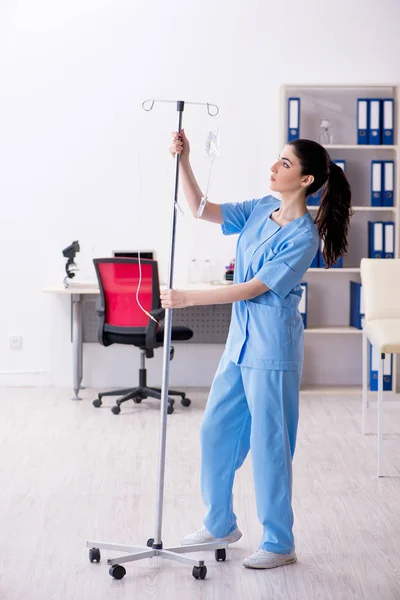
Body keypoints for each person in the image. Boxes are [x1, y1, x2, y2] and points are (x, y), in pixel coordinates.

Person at [161, 131, 352, 569]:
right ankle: (220, 522)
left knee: (269, 445)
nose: (274, 168)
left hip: (271, 349)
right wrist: (183, 161)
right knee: (215, 431)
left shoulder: (304, 237)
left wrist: (188, 298)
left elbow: (254, 288)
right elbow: (201, 209)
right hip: (240, 344)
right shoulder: (261, 208)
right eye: (277, 160)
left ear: (305, 180)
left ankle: (280, 543)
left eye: (284, 164)